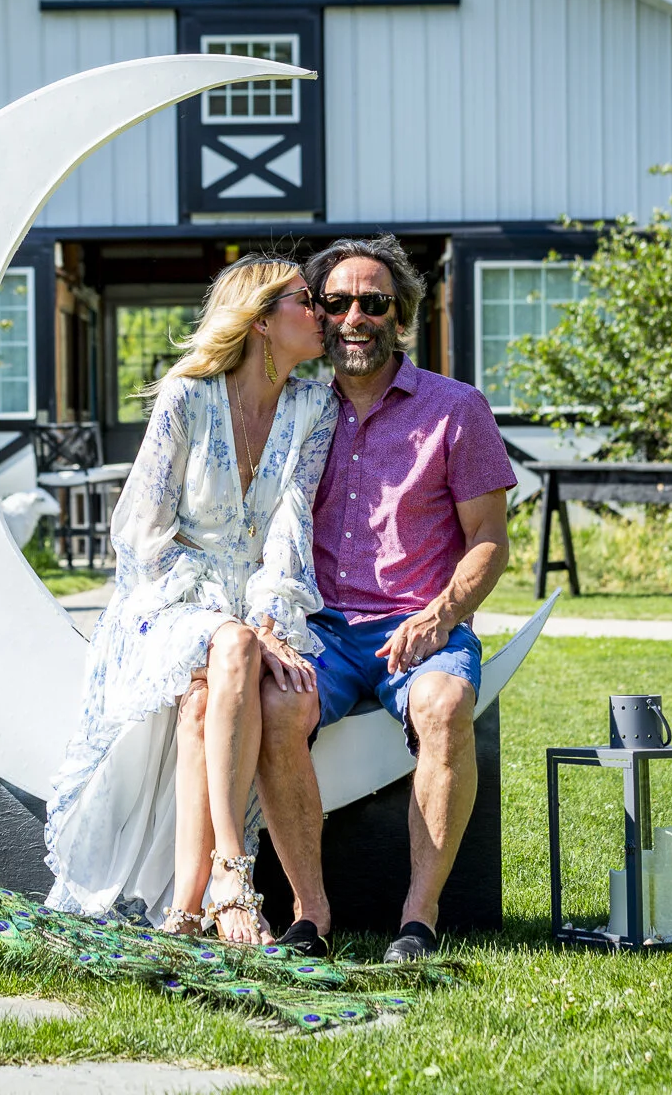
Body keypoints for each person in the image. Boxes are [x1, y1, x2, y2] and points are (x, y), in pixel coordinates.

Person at [44, 257, 338, 945]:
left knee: (209, 695)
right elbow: (142, 532)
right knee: (230, 644)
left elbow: (291, 527)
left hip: (256, 604)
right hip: (168, 599)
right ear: (260, 319)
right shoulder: (187, 397)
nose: (322, 312)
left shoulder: (314, 407)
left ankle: (185, 910)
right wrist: (233, 622)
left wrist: (268, 618)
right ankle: (232, 875)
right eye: (305, 299)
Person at [254, 236, 516, 961]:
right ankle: (309, 915)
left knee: (445, 704)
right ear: (317, 313)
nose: (355, 318)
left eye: (374, 303)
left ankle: (417, 920)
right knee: (274, 707)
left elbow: (490, 540)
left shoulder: (457, 409)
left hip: (420, 622)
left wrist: (441, 615)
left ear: (401, 315)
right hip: (321, 630)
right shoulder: (296, 409)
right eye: (337, 303)